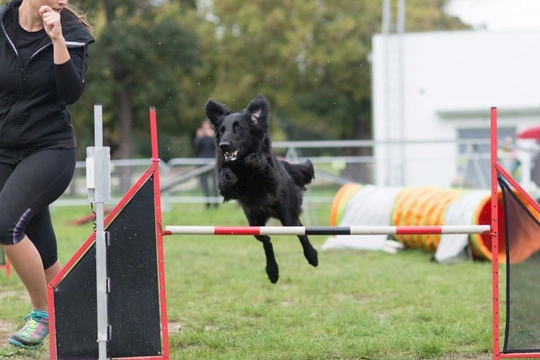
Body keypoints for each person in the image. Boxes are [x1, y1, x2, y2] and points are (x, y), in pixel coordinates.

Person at [0, 0, 94, 349]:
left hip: (50, 149)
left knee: (5, 223)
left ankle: (42, 314)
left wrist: (56, 41)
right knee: (41, 244)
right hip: (5, 150)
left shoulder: (72, 31)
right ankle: (78, 315)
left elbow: (71, 93)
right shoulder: (3, 23)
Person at [194, 119, 218, 209]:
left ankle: (216, 203)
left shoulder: (213, 135)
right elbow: (196, 148)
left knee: (215, 183)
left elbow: (216, 147)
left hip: (212, 161)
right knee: (204, 184)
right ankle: (207, 203)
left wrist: (213, 137)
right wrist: (199, 137)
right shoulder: (200, 136)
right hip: (202, 161)